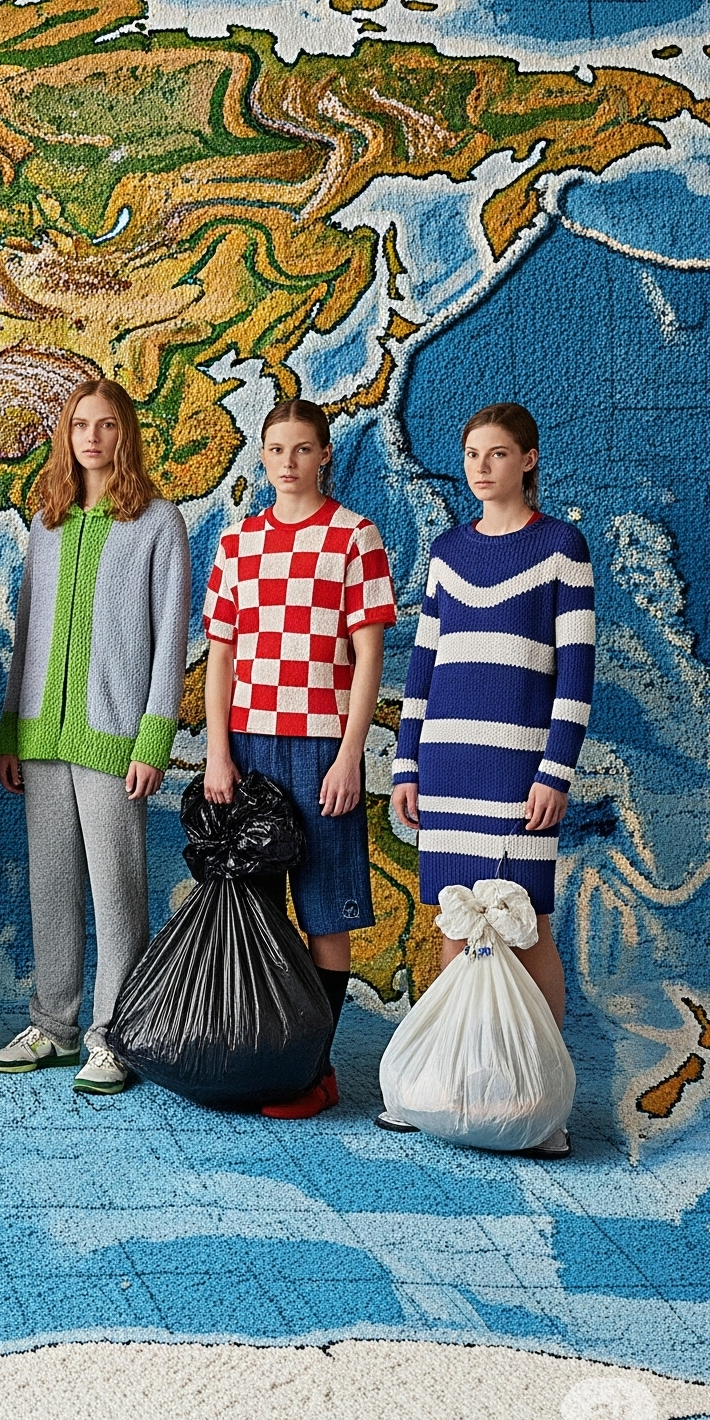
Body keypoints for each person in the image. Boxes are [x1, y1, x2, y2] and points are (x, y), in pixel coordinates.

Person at [387, 402, 589, 1158]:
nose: (482, 467)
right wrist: (407, 763)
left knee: (523, 923)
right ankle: (438, 1088)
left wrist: (554, 772)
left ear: (529, 461)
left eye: (498, 454)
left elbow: (576, 675)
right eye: (473, 453)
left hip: (517, 770)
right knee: (454, 919)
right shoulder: (445, 551)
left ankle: (544, 1105)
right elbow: (422, 667)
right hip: (447, 765)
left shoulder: (563, 548)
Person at [0, 377, 190, 1095]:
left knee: (116, 890)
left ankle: (114, 1034)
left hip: (113, 735)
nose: (93, 438)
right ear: (66, 436)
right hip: (41, 735)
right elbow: (29, 628)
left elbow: (171, 639)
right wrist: (11, 729)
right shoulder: (47, 522)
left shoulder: (158, 522)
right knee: (51, 884)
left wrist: (152, 740)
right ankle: (53, 1024)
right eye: (81, 425)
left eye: (107, 426)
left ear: (125, 435)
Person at [200, 397, 396, 1120]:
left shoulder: (354, 537)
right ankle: (266, 1059)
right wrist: (218, 755)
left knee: (324, 909)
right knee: (259, 905)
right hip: (249, 746)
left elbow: (369, 654)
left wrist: (351, 754)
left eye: (302, 449)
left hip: (321, 745)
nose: (288, 462)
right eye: (276, 449)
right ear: (263, 457)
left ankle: (316, 1070)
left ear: (324, 456)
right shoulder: (238, 544)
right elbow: (221, 657)